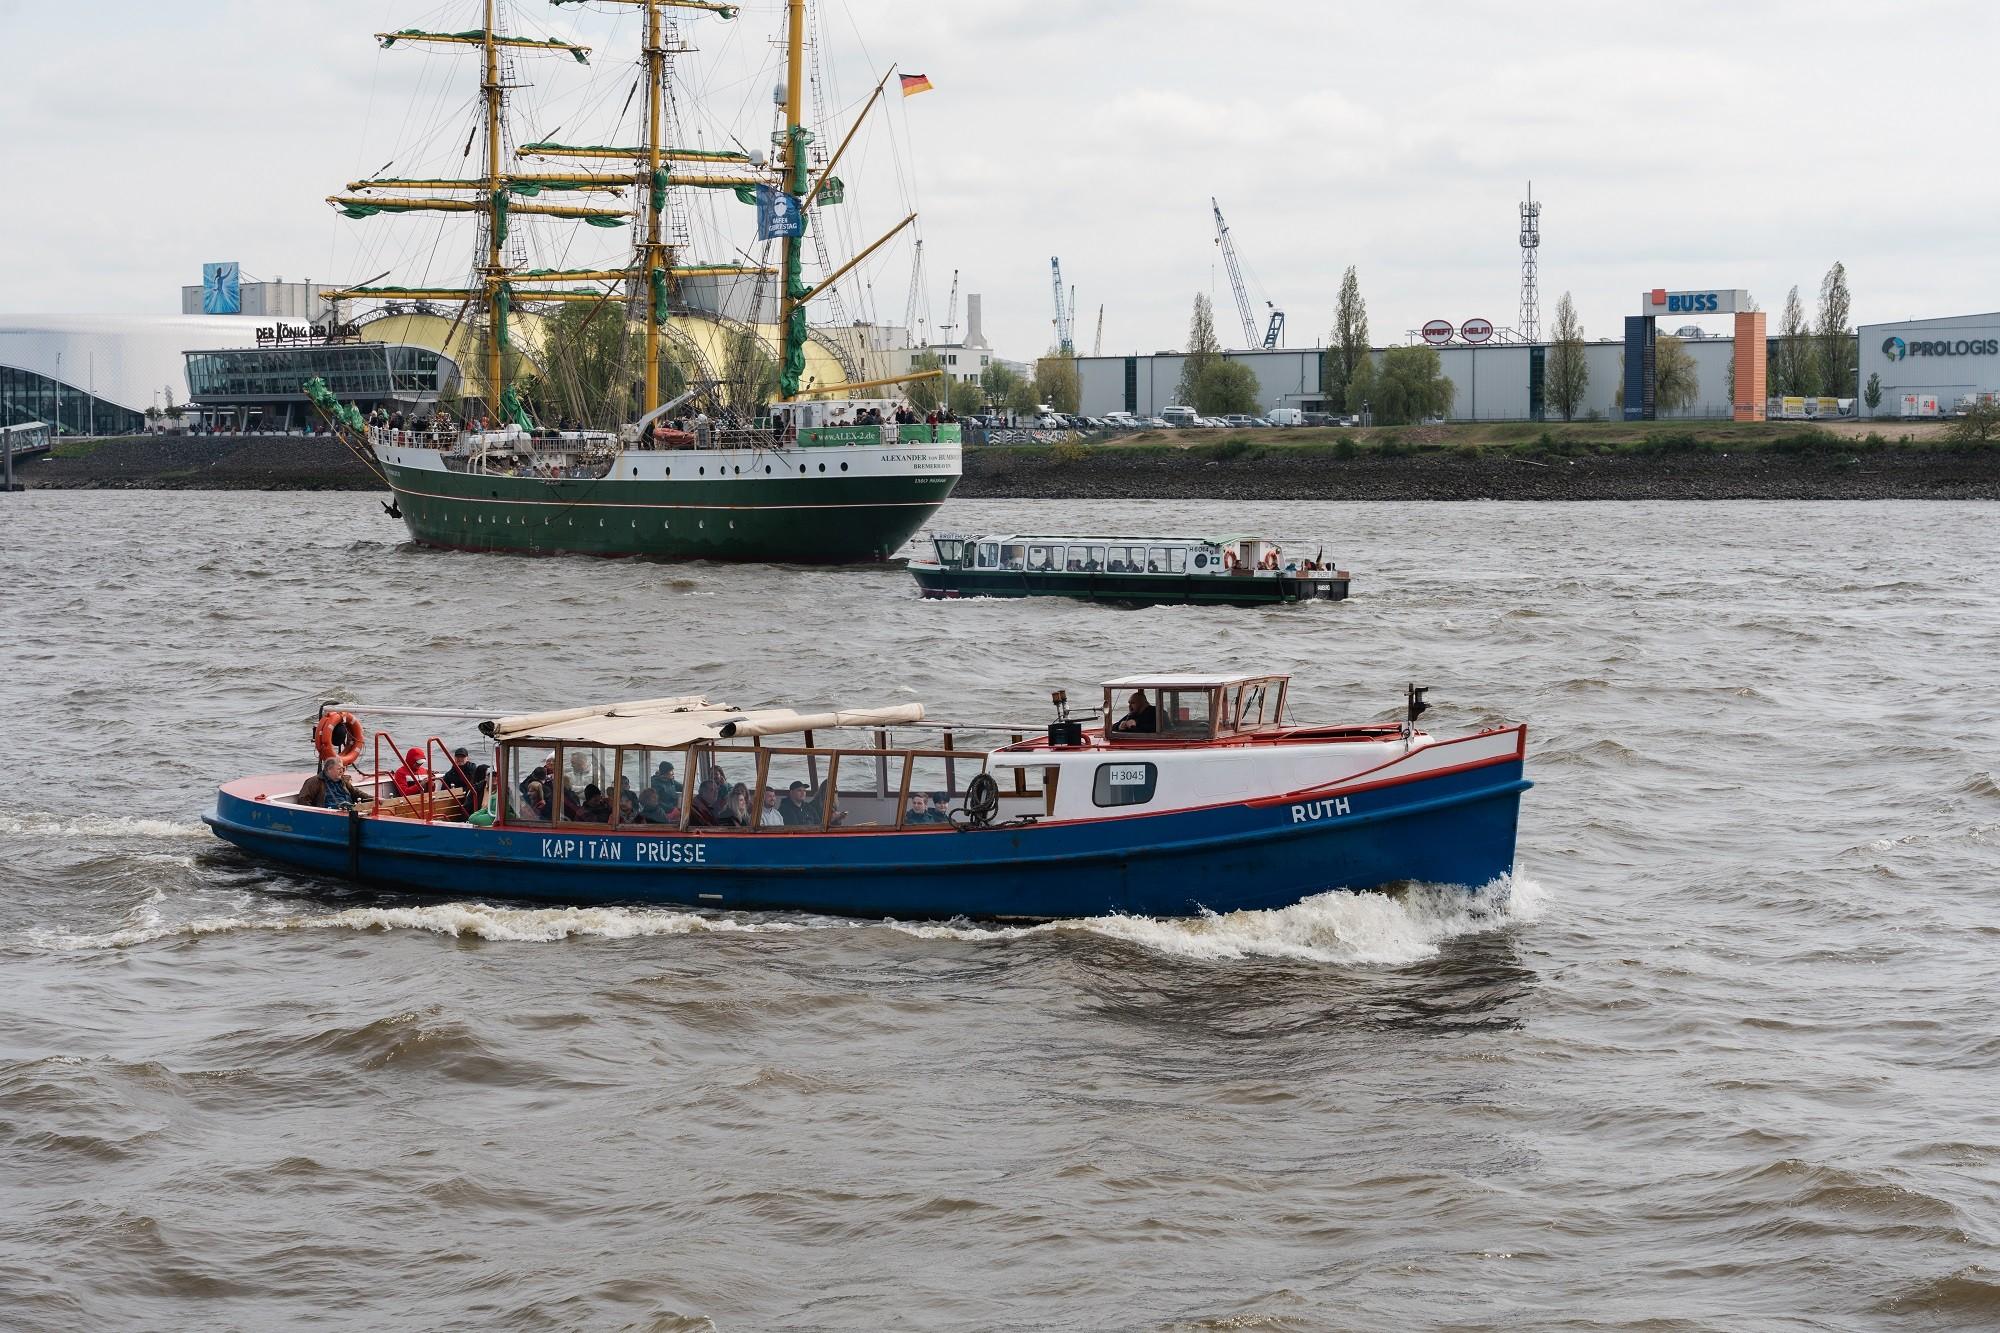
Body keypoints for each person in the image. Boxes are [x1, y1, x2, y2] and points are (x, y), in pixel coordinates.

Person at [297, 757, 368, 810]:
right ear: (329, 769)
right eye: (339, 769)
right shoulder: (315, 781)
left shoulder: (343, 781)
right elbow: (303, 800)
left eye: (343, 769)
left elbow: (356, 793)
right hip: (329, 814)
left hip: (349, 810)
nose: (342, 772)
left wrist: (374, 799)